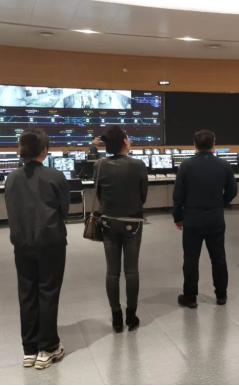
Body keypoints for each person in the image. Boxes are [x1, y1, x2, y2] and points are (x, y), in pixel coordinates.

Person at [5, 129, 70, 370]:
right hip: (50, 242)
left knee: (27, 293)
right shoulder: (55, 176)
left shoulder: (12, 178)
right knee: (48, 292)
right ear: (45, 150)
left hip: (22, 244)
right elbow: (64, 209)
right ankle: (49, 348)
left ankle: (30, 349)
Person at [173, 130, 238, 309]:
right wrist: (220, 203)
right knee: (218, 257)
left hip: (192, 219)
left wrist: (178, 217)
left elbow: (178, 195)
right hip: (215, 218)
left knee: (191, 259)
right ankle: (221, 295)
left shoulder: (185, 166)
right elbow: (233, 190)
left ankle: (190, 297)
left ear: (194, 145)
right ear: (213, 145)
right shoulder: (224, 165)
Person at [95, 126, 149, 333]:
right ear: (125, 142)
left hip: (108, 221)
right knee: (131, 270)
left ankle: (116, 317)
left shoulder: (99, 164)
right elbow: (143, 196)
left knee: (112, 271)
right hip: (132, 221)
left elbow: (99, 194)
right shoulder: (138, 165)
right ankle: (131, 316)